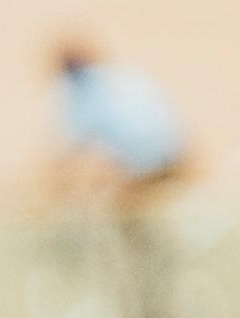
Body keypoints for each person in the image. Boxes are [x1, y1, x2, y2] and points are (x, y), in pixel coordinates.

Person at [48, 28, 190, 203]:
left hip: (146, 163)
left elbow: (73, 148)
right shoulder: (126, 75)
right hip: (178, 151)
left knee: (104, 196)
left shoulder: (82, 91)